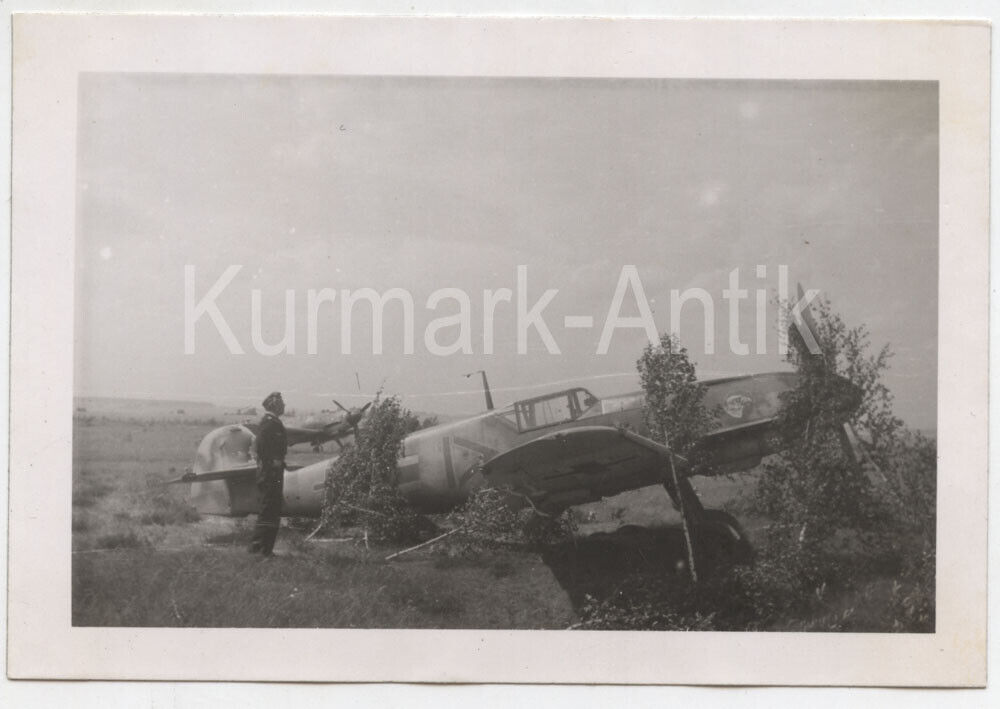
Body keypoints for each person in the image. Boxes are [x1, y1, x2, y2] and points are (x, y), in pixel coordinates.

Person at [249, 391, 288, 556]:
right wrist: (272, 462)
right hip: (269, 473)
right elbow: (261, 446)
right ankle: (258, 549)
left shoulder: (274, 423)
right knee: (268, 510)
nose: (284, 405)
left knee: (273, 511)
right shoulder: (269, 423)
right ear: (274, 405)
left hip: (274, 472)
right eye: (281, 403)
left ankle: (266, 549)